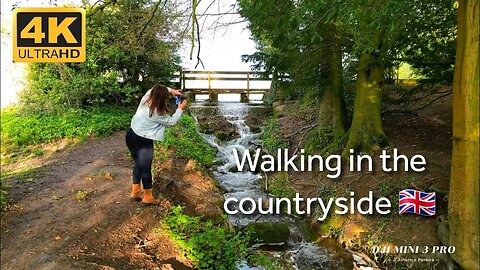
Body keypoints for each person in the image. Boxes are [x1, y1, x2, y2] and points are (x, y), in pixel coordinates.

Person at [125, 84, 187, 205]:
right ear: (164, 98)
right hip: (143, 140)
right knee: (146, 168)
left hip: (130, 135)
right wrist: (180, 109)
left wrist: (171, 90)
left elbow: (152, 88)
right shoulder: (158, 112)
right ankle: (148, 197)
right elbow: (172, 122)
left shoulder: (145, 99)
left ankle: (135, 193)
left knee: (138, 163)